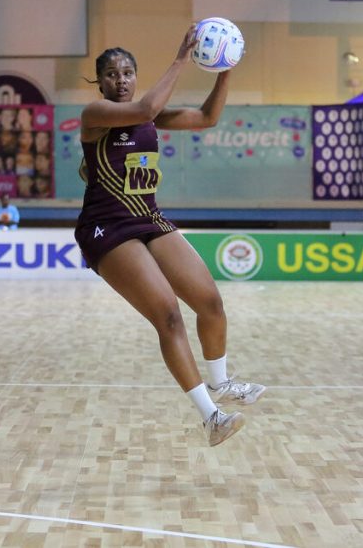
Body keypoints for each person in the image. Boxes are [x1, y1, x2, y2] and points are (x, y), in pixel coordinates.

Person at [74, 25, 265, 447]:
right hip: (107, 226)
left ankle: (221, 382)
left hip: (149, 218)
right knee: (168, 316)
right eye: (111, 74)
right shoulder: (95, 114)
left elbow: (207, 118)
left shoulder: (150, 116)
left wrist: (225, 69)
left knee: (210, 303)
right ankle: (211, 417)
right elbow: (145, 107)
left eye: (127, 73)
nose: (120, 80)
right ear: (100, 82)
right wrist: (181, 58)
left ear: (136, 76)